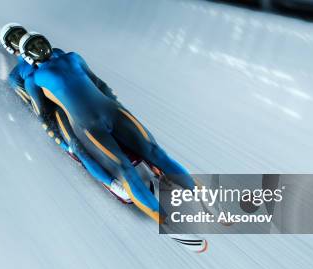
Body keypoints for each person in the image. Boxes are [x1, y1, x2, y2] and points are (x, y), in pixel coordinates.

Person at [18, 32, 197, 222]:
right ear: (27, 55)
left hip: (111, 112)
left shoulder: (72, 56)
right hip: (84, 124)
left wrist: (119, 106)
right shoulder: (31, 79)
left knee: (155, 151)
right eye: (33, 47)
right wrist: (62, 142)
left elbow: (98, 84)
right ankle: (159, 215)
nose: (40, 48)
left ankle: (201, 197)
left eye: (40, 42)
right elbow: (44, 114)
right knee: (118, 166)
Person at [0, 24, 127, 199]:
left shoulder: (55, 52)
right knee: (76, 146)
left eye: (20, 34)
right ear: (10, 47)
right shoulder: (16, 76)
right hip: (56, 109)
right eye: (14, 39)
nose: (19, 40)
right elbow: (32, 104)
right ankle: (112, 183)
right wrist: (56, 135)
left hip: (80, 96)